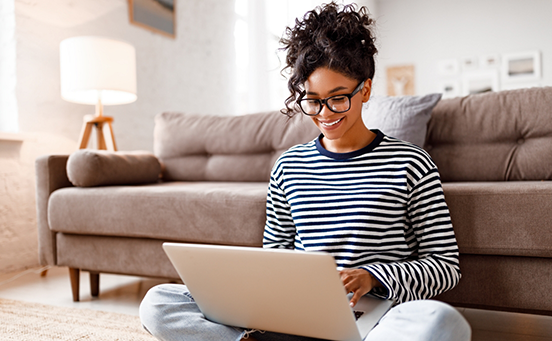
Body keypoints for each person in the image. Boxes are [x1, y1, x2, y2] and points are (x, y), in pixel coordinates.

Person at [139, 2, 471, 341]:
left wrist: (372, 277)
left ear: (365, 90)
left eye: (338, 98)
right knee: (158, 302)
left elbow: (444, 265)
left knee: (441, 322)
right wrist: (261, 298)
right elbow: (275, 257)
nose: (324, 113)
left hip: (377, 315)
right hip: (298, 313)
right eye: (312, 100)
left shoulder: (410, 163)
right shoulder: (289, 165)